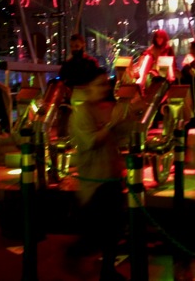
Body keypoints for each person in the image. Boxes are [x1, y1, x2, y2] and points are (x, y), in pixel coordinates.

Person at [66, 67, 129, 281]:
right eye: (99, 84)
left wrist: (133, 113)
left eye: (106, 84)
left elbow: (121, 136)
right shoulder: (81, 113)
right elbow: (90, 142)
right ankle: (75, 255)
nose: (104, 88)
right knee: (96, 233)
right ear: (88, 88)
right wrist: (112, 123)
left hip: (111, 176)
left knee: (114, 228)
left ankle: (107, 270)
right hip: (94, 182)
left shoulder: (108, 108)